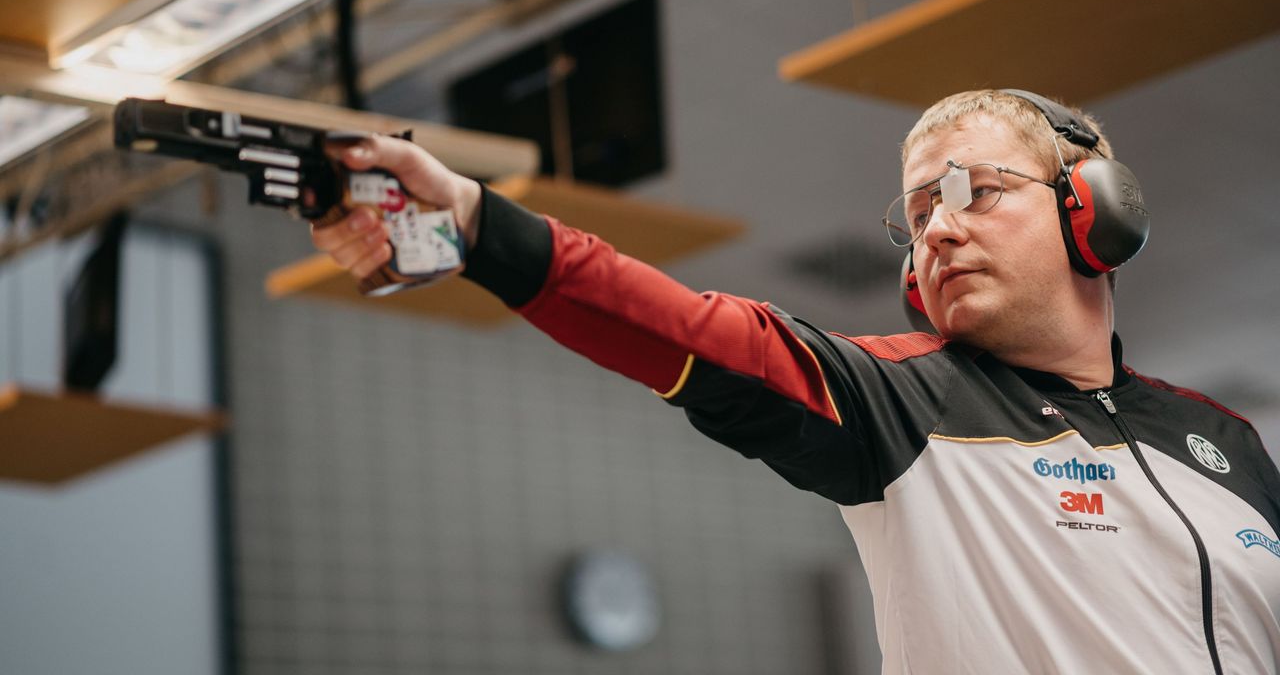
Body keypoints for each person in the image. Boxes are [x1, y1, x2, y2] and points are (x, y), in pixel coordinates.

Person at [312, 89, 1280, 674]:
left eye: (969, 191)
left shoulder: (1223, 442)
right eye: (916, 212)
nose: (936, 229)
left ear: (1091, 212)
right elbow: (681, 330)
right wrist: (480, 226)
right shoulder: (900, 401)